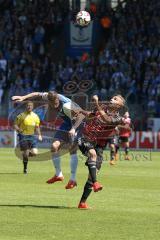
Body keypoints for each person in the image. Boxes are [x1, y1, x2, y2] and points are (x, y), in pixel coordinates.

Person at [12, 91, 85, 189]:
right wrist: (23, 97)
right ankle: (58, 175)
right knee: (54, 146)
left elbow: (81, 116)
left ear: (58, 99)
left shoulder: (67, 105)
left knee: (72, 149)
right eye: (52, 104)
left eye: (56, 103)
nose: (55, 105)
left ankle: (73, 180)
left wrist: (73, 129)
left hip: (78, 124)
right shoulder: (48, 97)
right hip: (67, 123)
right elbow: (37, 94)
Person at [77, 94, 128, 209]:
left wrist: (96, 103)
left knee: (93, 174)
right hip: (85, 137)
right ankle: (96, 183)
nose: (112, 99)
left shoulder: (118, 119)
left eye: (115, 99)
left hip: (99, 145)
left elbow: (106, 120)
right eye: (112, 97)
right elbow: (91, 115)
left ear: (120, 105)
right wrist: (80, 111)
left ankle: (82, 203)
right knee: (92, 154)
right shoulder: (102, 107)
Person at [13, 101, 42, 174]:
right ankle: (25, 168)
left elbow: (37, 127)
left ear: (33, 107)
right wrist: (19, 129)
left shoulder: (35, 116)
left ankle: (25, 154)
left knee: (35, 153)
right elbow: (15, 125)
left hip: (32, 136)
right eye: (28, 105)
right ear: (26, 106)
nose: (29, 107)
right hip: (23, 136)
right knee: (26, 154)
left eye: (31, 105)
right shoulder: (21, 115)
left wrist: (39, 135)